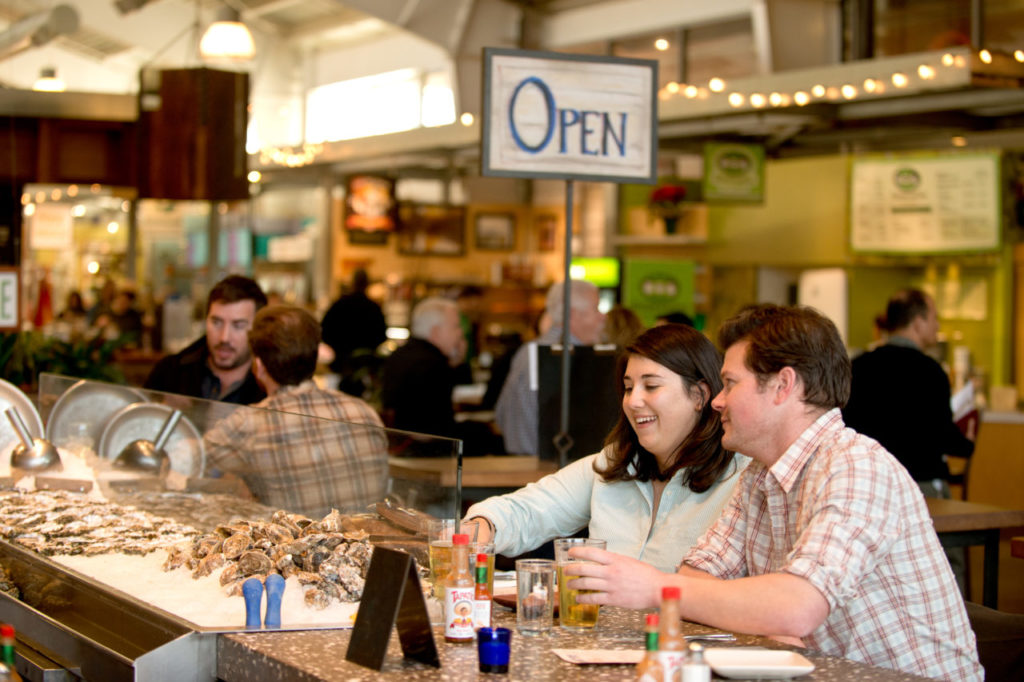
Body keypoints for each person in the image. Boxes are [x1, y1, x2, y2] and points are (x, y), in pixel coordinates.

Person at [567, 304, 982, 681]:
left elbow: (797, 606)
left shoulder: (856, 466)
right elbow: (698, 576)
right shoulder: (759, 476)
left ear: (783, 386)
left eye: (729, 383)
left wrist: (657, 588)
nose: (717, 401)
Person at [463, 324, 748, 572]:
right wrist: (481, 527)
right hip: (601, 632)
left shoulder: (742, 479)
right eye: (628, 387)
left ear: (699, 395)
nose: (633, 401)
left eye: (650, 386)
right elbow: (530, 509)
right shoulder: (617, 462)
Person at [842, 288, 974, 594]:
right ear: (917, 322)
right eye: (934, 317)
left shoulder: (858, 366)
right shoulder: (931, 372)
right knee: (945, 567)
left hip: (869, 488)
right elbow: (943, 437)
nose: (937, 326)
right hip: (925, 488)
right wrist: (967, 442)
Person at [203, 305, 388, 518]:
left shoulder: (249, 423)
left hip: (299, 549)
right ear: (315, 356)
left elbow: (191, 462)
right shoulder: (364, 412)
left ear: (260, 366)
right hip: (365, 547)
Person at [495, 279, 605, 455]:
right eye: (596, 308)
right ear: (573, 315)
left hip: (523, 463)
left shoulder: (529, 350)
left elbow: (501, 413)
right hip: (550, 468)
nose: (603, 317)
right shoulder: (564, 356)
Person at [380, 297, 502, 455]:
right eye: (455, 327)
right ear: (436, 332)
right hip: (426, 451)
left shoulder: (400, 355)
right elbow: (441, 428)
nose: (460, 333)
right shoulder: (432, 364)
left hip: (400, 446)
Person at [145, 275, 268, 404]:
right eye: (216, 322)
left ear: (258, 329)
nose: (224, 337)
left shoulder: (271, 385)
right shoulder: (170, 371)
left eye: (238, 326)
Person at [320, 269, 387, 396]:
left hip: (341, 364)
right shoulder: (374, 307)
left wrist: (336, 350)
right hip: (365, 366)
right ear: (367, 285)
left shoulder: (339, 305)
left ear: (352, 283)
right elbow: (382, 336)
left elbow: (323, 329)